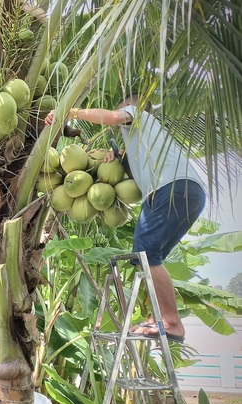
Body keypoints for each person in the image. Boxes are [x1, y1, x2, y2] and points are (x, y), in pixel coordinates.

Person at [45, 95, 207, 342]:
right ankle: (160, 317)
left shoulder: (138, 115)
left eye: (120, 113)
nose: (117, 121)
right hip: (185, 191)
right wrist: (117, 158)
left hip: (172, 189)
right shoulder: (141, 142)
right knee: (149, 258)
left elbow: (113, 117)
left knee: (146, 254)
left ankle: (172, 322)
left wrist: (70, 112)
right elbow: (130, 176)